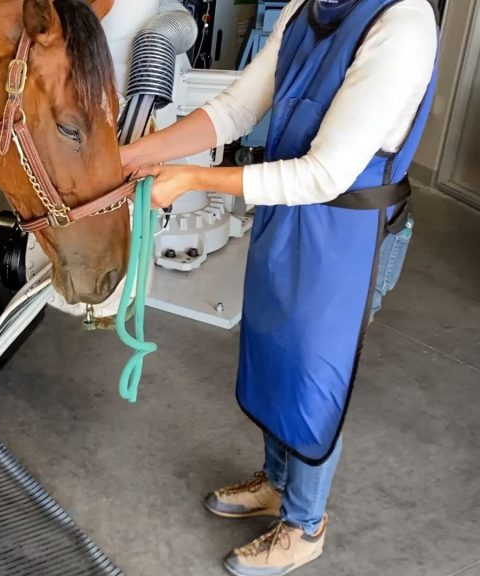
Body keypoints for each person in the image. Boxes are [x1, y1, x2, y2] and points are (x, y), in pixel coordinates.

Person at [119, 0, 438, 574]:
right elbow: (237, 109)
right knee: (273, 351)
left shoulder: (402, 22)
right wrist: (131, 155)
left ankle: (305, 525)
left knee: (316, 375)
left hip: (345, 230)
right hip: (285, 212)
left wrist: (194, 175)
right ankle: (278, 483)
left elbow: (326, 172)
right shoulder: (304, 10)